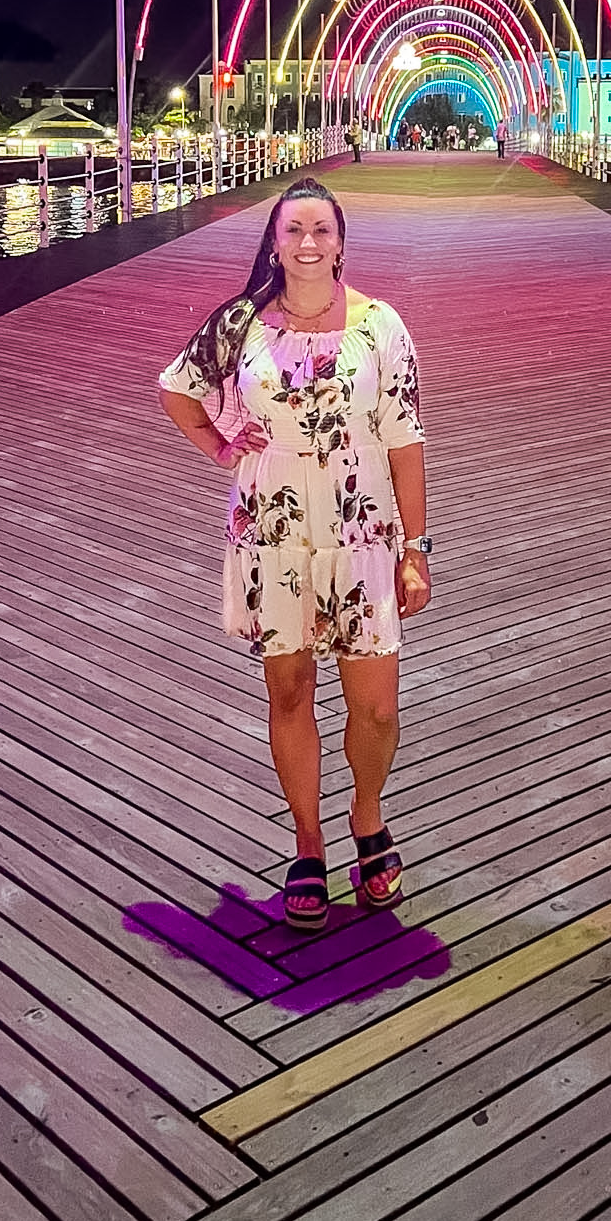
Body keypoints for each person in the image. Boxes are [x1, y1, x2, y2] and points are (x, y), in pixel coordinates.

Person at [157, 178, 431, 932]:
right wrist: (220, 447)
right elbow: (177, 388)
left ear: (342, 241)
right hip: (272, 528)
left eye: (321, 230)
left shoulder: (382, 327)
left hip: (364, 530)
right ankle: (308, 842)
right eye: (292, 231)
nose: (307, 243)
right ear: (273, 242)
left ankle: (366, 815)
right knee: (290, 692)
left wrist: (417, 548)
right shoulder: (241, 322)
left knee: (375, 706)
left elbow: (406, 442)